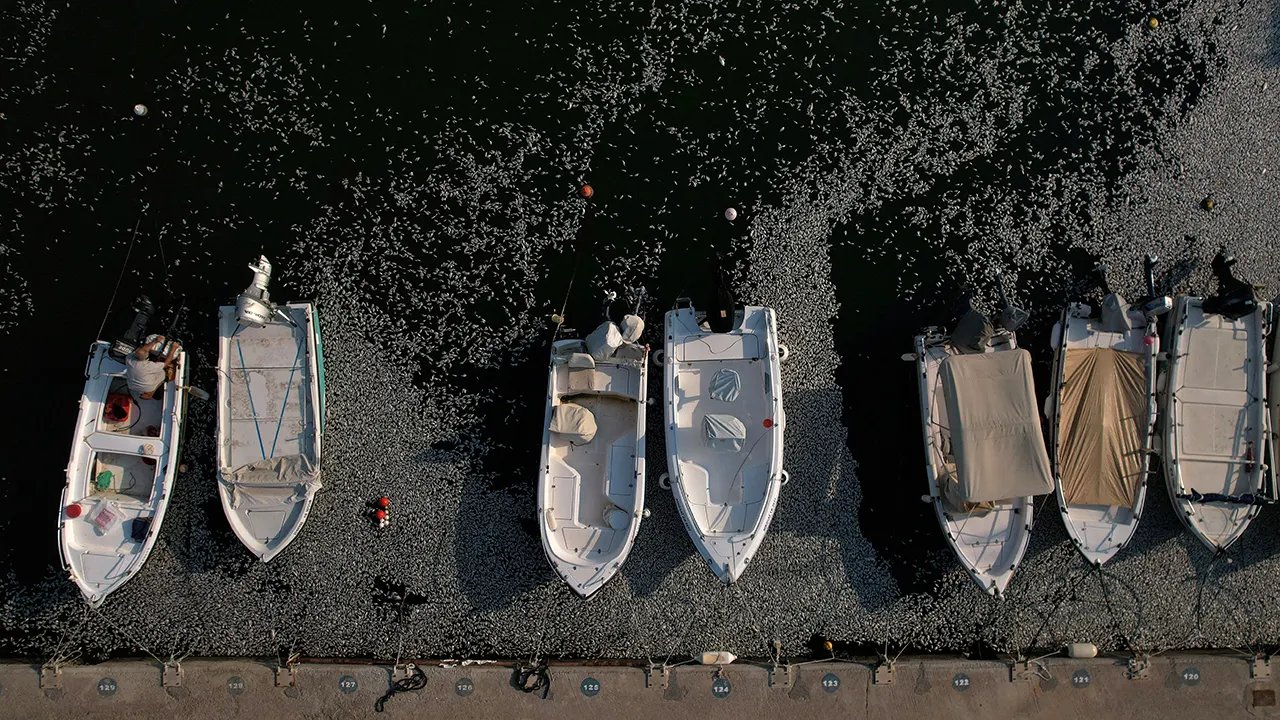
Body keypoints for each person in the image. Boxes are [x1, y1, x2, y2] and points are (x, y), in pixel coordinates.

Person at [126, 334, 180, 400]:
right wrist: (173, 348)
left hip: (133, 385)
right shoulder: (148, 367)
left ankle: (146, 393)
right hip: (139, 386)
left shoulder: (129, 358)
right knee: (162, 373)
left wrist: (155, 341)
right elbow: (166, 363)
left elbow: (143, 351)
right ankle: (150, 394)